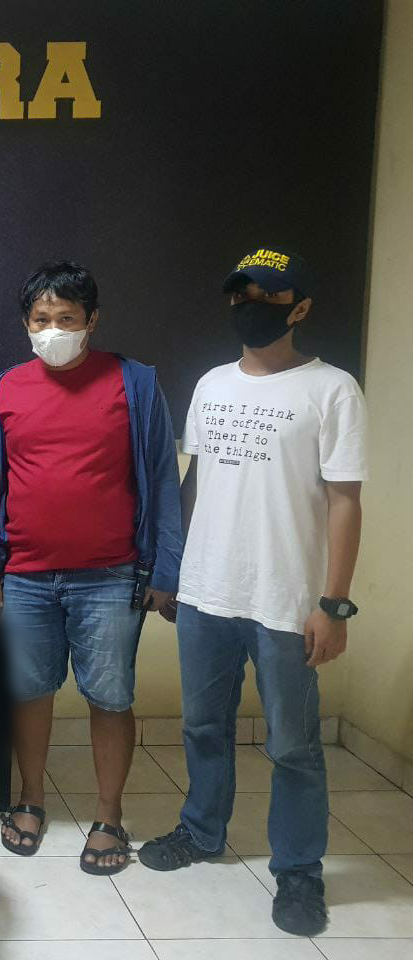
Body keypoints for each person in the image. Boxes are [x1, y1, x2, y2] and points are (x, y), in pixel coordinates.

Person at [139, 247, 366, 936]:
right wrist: (171, 571)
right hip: (206, 592)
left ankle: (298, 871)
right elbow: (195, 481)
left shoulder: (333, 389)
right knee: (203, 727)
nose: (251, 307)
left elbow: (345, 502)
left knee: (293, 745)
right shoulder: (211, 384)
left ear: (301, 308)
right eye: (241, 294)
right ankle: (202, 830)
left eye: (269, 297)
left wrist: (333, 605)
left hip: (286, 602)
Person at [0, 260, 182, 874]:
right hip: (25, 576)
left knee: (111, 696)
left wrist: (167, 570)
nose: (53, 330)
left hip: (111, 576)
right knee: (29, 691)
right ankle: (30, 800)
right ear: (26, 323)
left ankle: (108, 815)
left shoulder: (133, 384)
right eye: (42, 319)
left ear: (92, 320)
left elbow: (162, 479)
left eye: (67, 318)